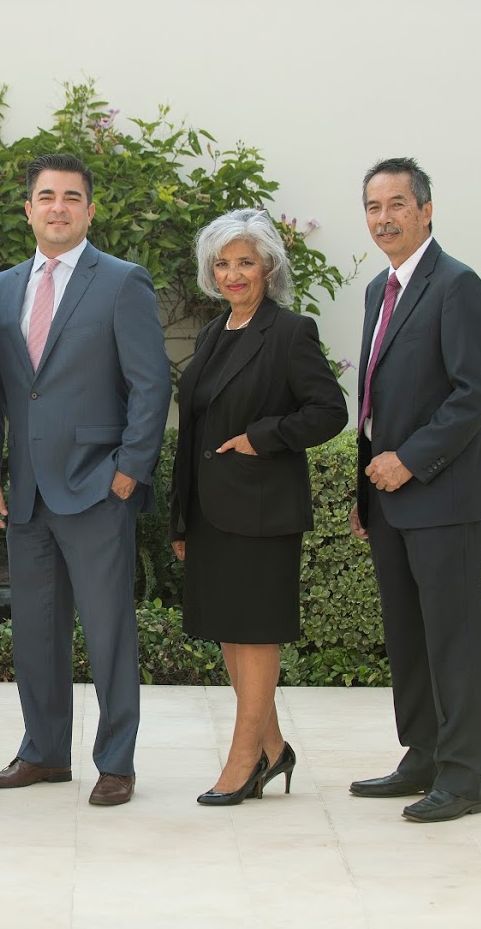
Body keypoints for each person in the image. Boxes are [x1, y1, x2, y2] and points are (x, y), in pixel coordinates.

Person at [0, 153, 170, 807]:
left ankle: (117, 762)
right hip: (24, 494)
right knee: (34, 632)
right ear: (27, 208)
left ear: (89, 209)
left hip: (95, 487)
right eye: (46, 196)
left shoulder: (121, 282)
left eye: (72, 197)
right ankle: (45, 753)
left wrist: (128, 472)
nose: (58, 206)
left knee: (109, 632)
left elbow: (150, 384)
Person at [169, 209, 347, 806]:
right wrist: (180, 515)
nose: (233, 274)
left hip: (263, 506)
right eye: (222, 263)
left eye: (245, 262)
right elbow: (192, 431)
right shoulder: (214, 334)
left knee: (255, 632)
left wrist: (260, 437)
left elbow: (329, 412)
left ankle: (243, 761)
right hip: (210, 510)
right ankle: (274, 749)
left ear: (268, 266)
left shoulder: (292, 332)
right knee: (228, 631)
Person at [348, 157, 481, 823]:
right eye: (374, 208)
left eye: (398, 205)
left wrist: (410, 460)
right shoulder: (378, 289)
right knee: (407, 637)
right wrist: (366, 490)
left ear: (426, 210)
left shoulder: (457, 285)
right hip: (388, 502)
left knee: (450, 640)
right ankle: (421, 756)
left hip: (440, 497)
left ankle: (463, 777)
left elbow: (475, 392)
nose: (384, 219)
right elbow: (376, 399)